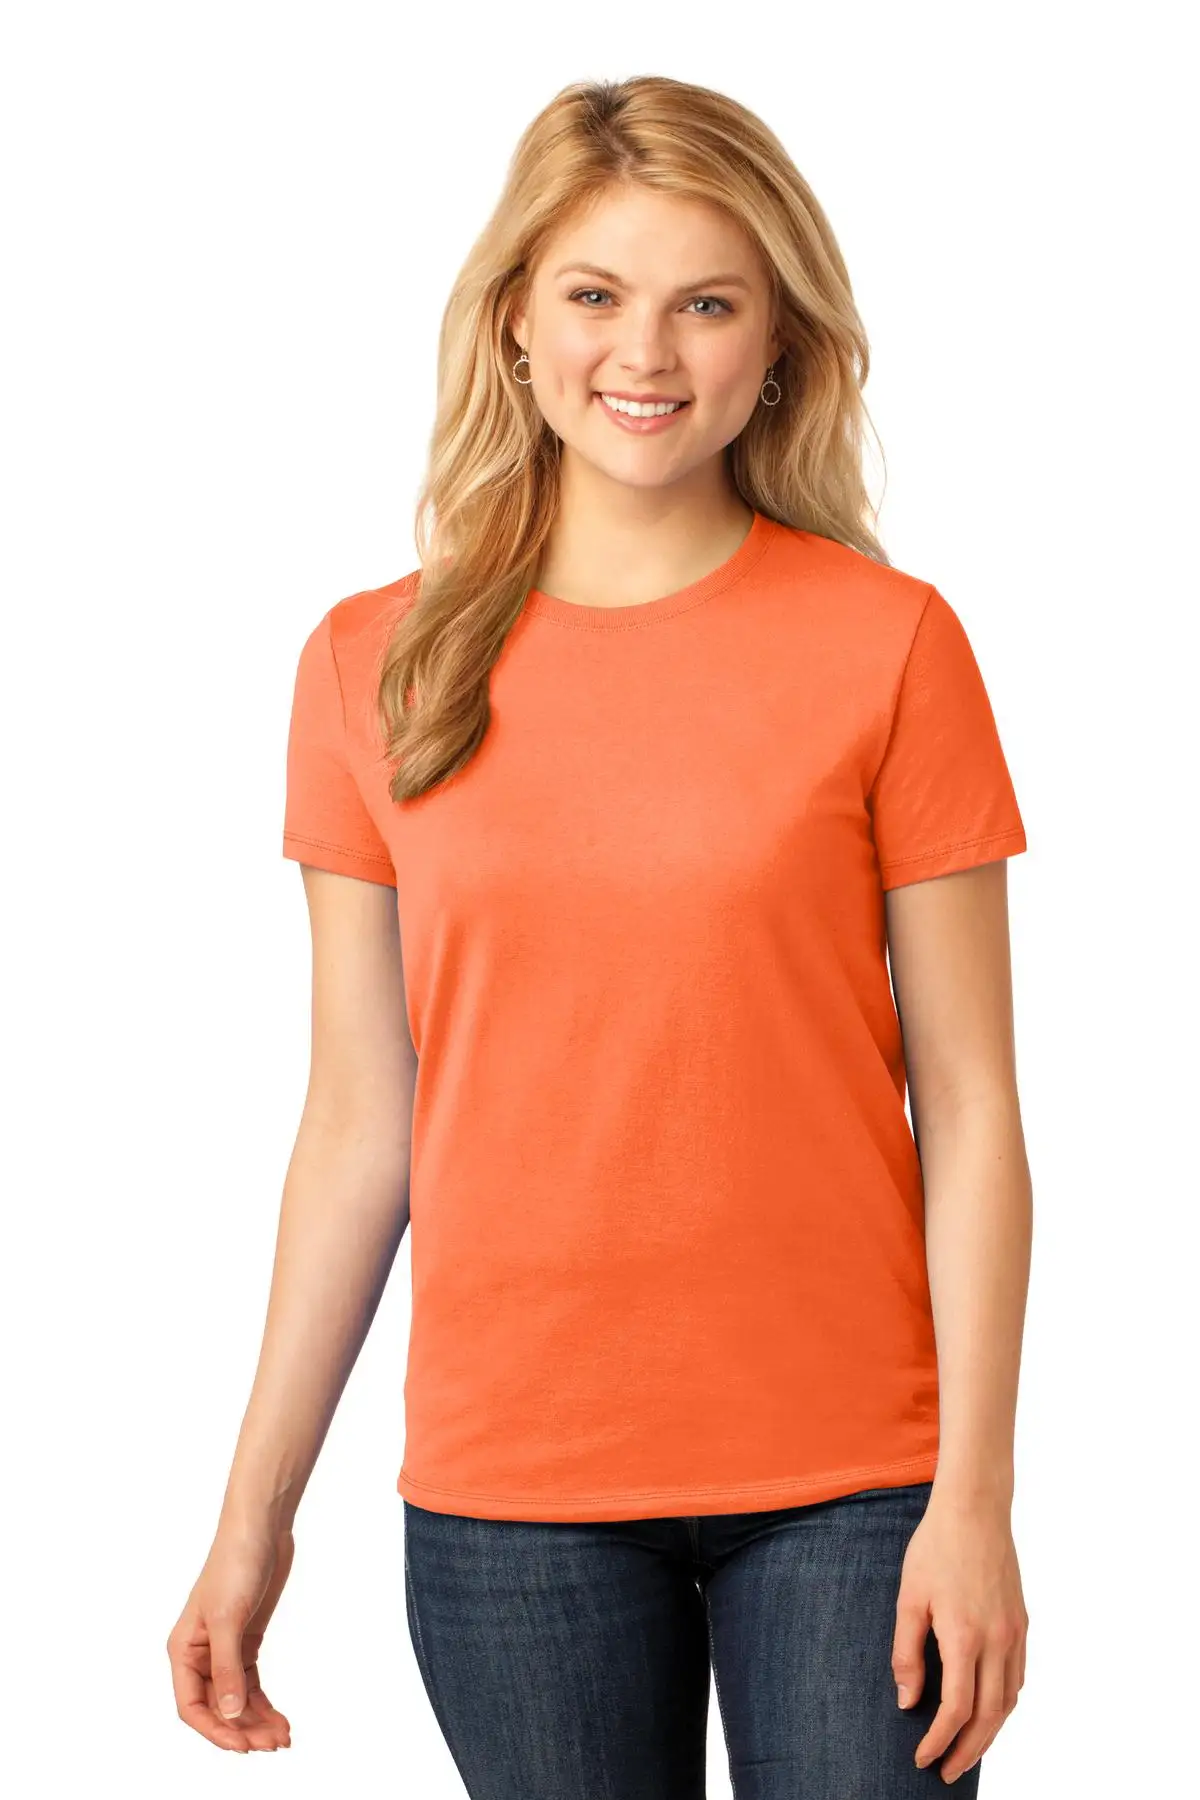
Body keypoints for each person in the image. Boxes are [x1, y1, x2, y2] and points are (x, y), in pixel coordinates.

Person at [167, 73, 1032, 1798]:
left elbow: (974, 1107)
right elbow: (360, 1122)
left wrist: (977, 1500)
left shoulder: (890, 643)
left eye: (707, 302)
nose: (646, 351)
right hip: (513, 1496)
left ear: (776, 343)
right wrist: (253, 1516)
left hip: (855, 1482)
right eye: (595, 294)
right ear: (515, 320)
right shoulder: (372, 666)